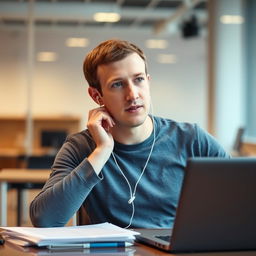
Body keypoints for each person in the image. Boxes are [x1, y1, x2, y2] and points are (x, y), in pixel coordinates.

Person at [30, 39, 229, 228]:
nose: (133, 95)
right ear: (96, 95)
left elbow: (241, 195)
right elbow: (45, 220)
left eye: (139, 80)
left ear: (148, 82)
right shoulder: (81, 147)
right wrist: (101, 152)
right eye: (117, 84)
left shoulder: (191, 140)